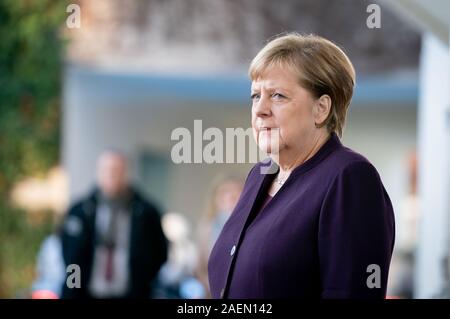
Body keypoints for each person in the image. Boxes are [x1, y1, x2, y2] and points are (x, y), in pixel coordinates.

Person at [208, 33, 395, 299]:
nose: (260, 109)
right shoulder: (259, 175)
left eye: (278, 96)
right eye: (255, 95)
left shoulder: (349, 178)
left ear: (321, 109)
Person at [60, 150, 168, 298]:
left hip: (131, 294)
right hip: (87, 294)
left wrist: (143, 281)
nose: (111, 175)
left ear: (126, 173)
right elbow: (68, 253)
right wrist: (74, 288)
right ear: (98, 173)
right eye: (107, 170)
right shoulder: (80, 211)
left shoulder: (146, 212)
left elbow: (160, 252)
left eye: (116, 170)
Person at [195, 175, 243, 297]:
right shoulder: (206, 227)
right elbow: (200, 267)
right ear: (215, 198)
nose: (231, 197)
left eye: (237, 191)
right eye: (225, 192)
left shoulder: (252, 226)